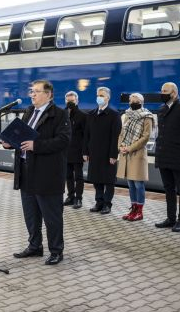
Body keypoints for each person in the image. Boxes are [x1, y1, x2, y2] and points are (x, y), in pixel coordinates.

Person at [4, 80, 71, 265]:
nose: (32, 95)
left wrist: (36, 145)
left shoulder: (59, 114)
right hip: (26, 171)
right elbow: (22, 137)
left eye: (36, 91)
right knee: (31, 214)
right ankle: (35, 247)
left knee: (52, 216)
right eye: (31, 91)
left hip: (48, 174)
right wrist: (10, 142)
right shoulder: (29, 111)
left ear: (49, 94)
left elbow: (63, 141)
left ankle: (56, 251)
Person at [154, 82, 180, 232]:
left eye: (165, 91)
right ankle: (170, 218)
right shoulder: (162, 109)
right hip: (164, 156)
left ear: (174, 93)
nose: (162, 93)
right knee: (168, 189)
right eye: (162, 90)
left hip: (179, 156)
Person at [83, 87, 122, 215]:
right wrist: (85, 152)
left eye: (102, 95)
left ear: (108, 98)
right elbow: (86, 135)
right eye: (98, 95)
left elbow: (115, 136)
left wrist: (113, 154)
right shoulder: (91, 114)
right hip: (94, 152)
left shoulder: (114, 115)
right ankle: (98, 202)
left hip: (108, 153)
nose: (99, 97)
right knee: (96, 179)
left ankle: (107, 204)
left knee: (108, 180)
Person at [117, 93, 154, 221]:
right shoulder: (127, 115)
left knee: (138, 184)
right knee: (130, 183)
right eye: (131, 100)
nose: (133, 102)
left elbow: (146, 137)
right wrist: (120, 146)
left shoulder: (147, 116)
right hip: (126, 154)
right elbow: (122, 132)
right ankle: (133, 209)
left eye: (136, 100)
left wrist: (130, 148)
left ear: (141, 102)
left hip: (137, 154)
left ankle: (139, 211)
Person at [63, 91, 87, 209]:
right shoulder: (62, 115)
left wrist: (85, 152)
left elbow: (86, 136)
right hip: (65, 151)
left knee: (79, 176)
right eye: (68, 101)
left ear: (77, 101)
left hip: (78, 151)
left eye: (72, 101)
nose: (70, 102)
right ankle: (70, 197)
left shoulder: (82, 116)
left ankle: (79, 198)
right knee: (68, 176)